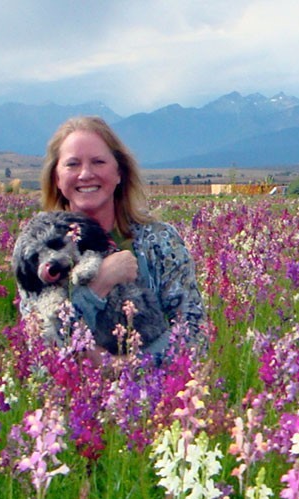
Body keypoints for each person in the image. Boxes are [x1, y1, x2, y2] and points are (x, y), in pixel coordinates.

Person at [34, 115, 206, 360]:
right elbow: (40, 345)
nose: (85, 174)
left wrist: (124, 369)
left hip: (155, 384)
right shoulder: (38, 249)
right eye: (72, 164)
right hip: (71, 387)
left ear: (119, 173)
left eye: (98, 162)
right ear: (56, 179)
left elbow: (194, 333)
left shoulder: (160, 241)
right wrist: (99, 285)